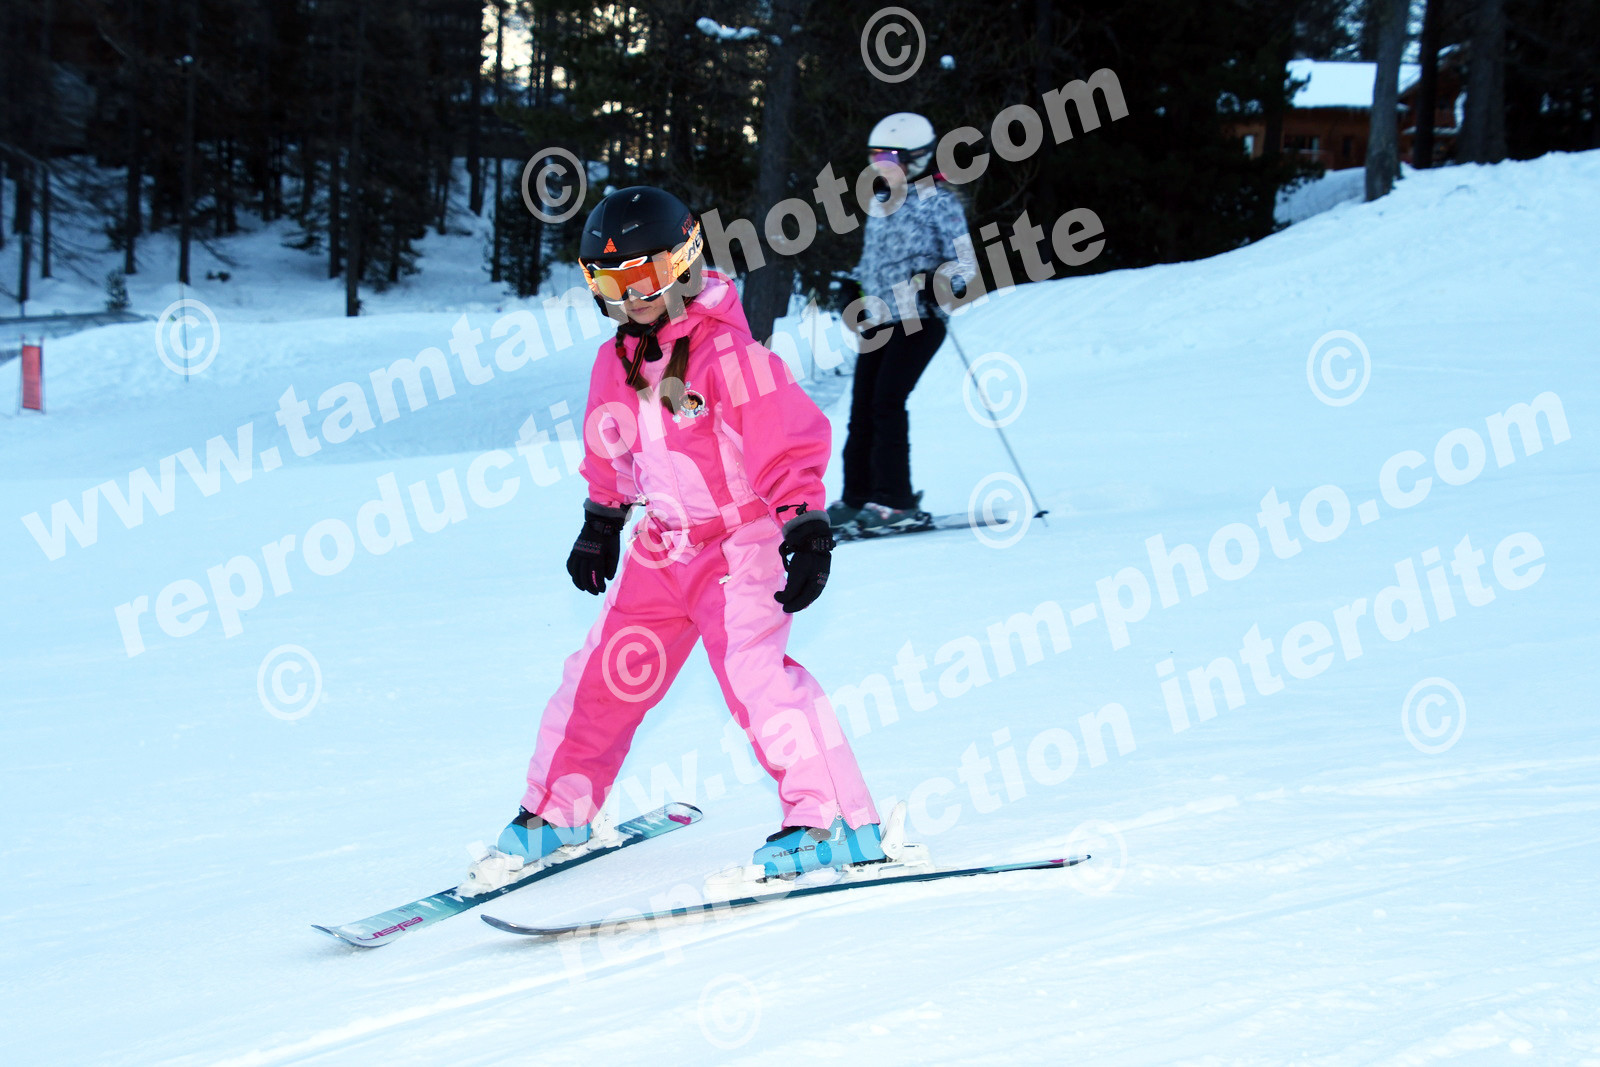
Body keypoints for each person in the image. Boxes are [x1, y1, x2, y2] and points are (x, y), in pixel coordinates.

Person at [484, 186, 884, 882]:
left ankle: (834, 821)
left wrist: (805, 527)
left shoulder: (730, 355)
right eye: (612, 283)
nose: (632, 297)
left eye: (643, 276)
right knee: (602, 674)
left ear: (684, 261)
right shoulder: (616, 361)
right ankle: (559, 809)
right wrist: (602, 520)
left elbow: (784, 444)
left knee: (756, 679)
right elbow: (610, 446)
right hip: (663, 546)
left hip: (740, 545)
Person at [831, 112, 980, 535]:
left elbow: (964, 264)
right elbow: (871, 264)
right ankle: (857, 498)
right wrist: (852, 287)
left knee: (887, 402)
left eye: (890, 157)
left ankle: (895, 501)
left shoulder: (940, 202)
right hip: (880, 321)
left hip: (920, 319)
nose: (880, 164)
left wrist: (940, 281)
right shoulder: (880, 204)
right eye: (875, 156)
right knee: (861, 409)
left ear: (917, 158)